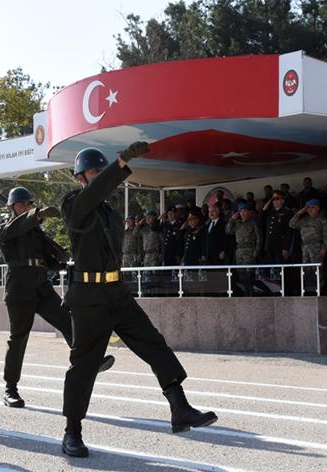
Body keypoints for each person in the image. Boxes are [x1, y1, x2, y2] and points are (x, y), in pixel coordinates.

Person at [59, 144, 217, 457]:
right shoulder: (74, 203)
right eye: (95, 172)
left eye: (102, 171)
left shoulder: (109, 213)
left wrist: (113, 170)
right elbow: (89, 199)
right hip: (89, 298)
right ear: (81, 178)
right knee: (84, 365)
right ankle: (72, 431)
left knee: (154, 343)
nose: (101, 177)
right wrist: (118, 164)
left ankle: (179, 407)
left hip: (117, 293)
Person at [0, 186, 114, 409]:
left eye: (28, 204)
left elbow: (46, 260)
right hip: (19, 290)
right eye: (21, 204)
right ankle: (10, 388)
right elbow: (14, 229)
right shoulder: (5, 229)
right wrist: (37, 215)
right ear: (12, 207)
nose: (26, 207)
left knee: (68, 322)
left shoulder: (35, 233)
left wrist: (61, 259)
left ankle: (91, 360)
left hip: (40, 287)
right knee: (18, 338)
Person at [225, 203, 261, 296]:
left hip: (250, 250)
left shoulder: (253, 223)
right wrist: (232, 219)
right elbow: (228, 231)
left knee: (250, 274)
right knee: (241, 274)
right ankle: (245, 291)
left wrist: (256, 251)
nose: (243, 213)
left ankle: (251, 292)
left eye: (245, 211)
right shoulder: (237, 223)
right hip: (239, 251)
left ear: (249, 212)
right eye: (241, 211)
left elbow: (259, 238)